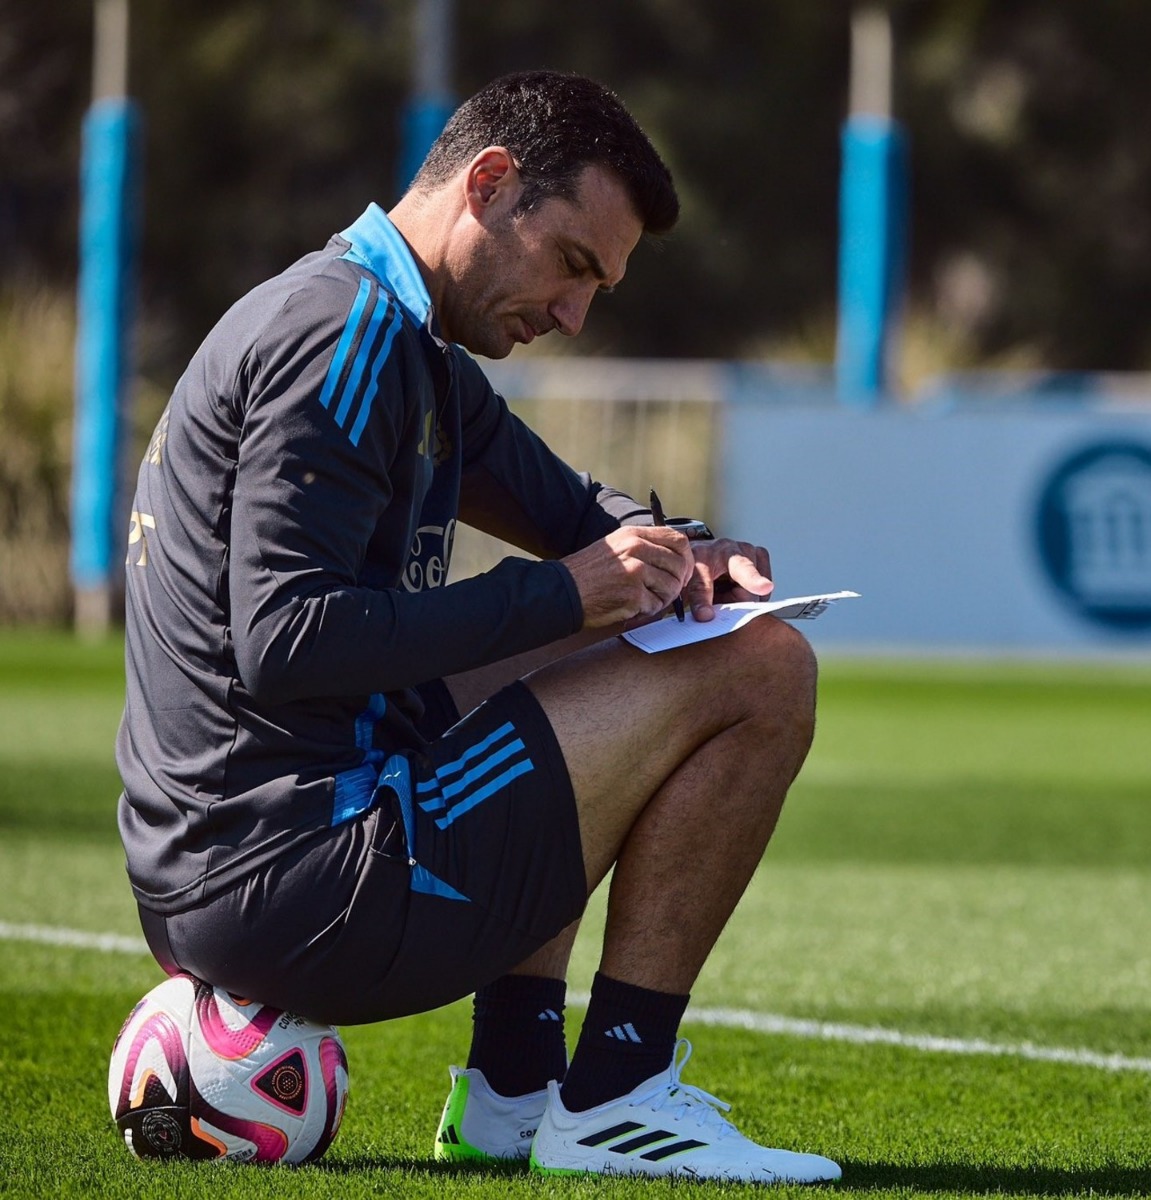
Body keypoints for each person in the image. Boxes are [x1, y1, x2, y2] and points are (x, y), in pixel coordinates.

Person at [116, 69, 839, 1184]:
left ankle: (513, 1089)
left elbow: (563, 507)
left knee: (633, 624)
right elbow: (287, 639)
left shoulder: (391, 336)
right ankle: (619, 1099)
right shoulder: (346, 337)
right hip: (300, 881)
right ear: (490, 184)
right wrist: (572, 593)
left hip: (238, 867)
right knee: (763, 667)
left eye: (598, 287)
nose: (573, 315)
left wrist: (686, 552)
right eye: (572, 264)